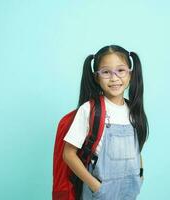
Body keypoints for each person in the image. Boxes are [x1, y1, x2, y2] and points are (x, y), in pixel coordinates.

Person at [62, 44, 149, 199]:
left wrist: (140, 175)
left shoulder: (133, 110)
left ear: (130, 74)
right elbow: (68, 154)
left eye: (121, 70)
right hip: (100, 193)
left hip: (129, 191)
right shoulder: (90, 110)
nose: (114, 78)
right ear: (97, 77)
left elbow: (137, 148)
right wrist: (96, 186)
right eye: (106, 72)